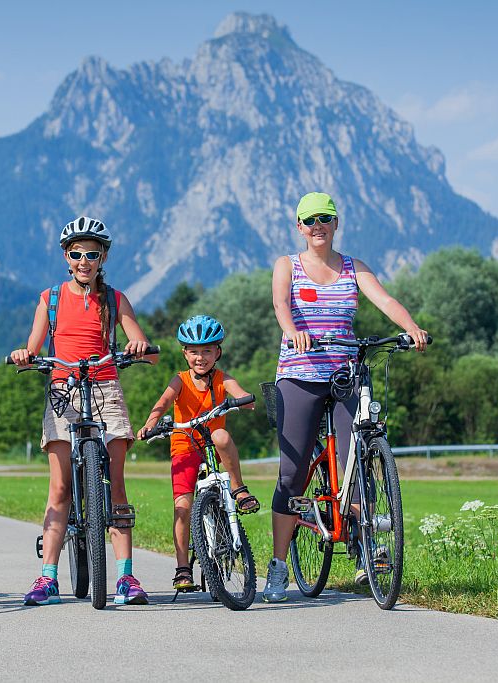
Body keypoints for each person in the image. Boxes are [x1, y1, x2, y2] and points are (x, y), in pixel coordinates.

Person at [263, 191, 428, 603]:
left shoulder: (354, 268)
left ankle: (367, 548)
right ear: (299, 227)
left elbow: (385, 299)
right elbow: (280, 303)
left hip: (345, 374)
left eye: (325, 219)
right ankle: (279, 566)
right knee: (293, 469)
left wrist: (411, 328)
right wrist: (291, 331)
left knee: (358, 453)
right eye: (309, 221)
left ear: (336, 224)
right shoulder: (288, 265)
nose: (317, 226)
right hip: (300, 374)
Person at [9, 216, 157, 606]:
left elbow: (136, 336)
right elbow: (34, 344)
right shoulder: (50, 299)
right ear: (66, 256)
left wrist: (139, 346)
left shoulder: (114, 299)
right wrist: (26, 354)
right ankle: (48, 578)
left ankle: (126, 577)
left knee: (117, 486)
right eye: (77, 254)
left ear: (103, 256)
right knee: (59, 488)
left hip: (106, 387)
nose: (84, 261)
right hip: (63, 389)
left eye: (92, 254)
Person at [137, 315, 259, 591]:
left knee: (221, 434)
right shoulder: (179, 380)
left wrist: (244, 399)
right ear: (185, 353)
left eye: (207, 351)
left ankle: (239, 489)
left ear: (218, 352)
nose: (200, 357)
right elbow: (163, 402)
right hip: (185, 446)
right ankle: (182, 569)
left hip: (213, 448)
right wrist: (150, 424)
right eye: (194, 351)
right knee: (182, 507)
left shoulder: (222, 379)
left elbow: (240, 393)